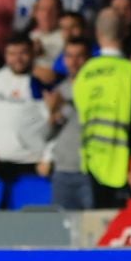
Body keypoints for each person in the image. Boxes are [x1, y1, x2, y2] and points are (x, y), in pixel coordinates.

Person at [73, 8, 131, 209]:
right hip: (126, 163)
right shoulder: (130, 72)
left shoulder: (85, 73)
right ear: (125, 32)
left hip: (93, 160)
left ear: (97, 34)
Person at [0, 35, 52, 183]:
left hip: (33, 162)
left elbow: (57, 123)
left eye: (23, 53)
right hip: (1, 160)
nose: (17, 59)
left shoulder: (41, 81)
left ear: (32, 53)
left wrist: (48, 157)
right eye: (12, 54)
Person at [42, 37, 92, 212]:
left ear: (88, 59)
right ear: (63, 59)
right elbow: (46, 135)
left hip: (89, 172)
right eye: (69, 56)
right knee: (62, 231)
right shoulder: (58, 92)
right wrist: (52, 113)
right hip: (62, 173)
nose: (74, 62)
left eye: (80, 56)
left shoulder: (97, 90)